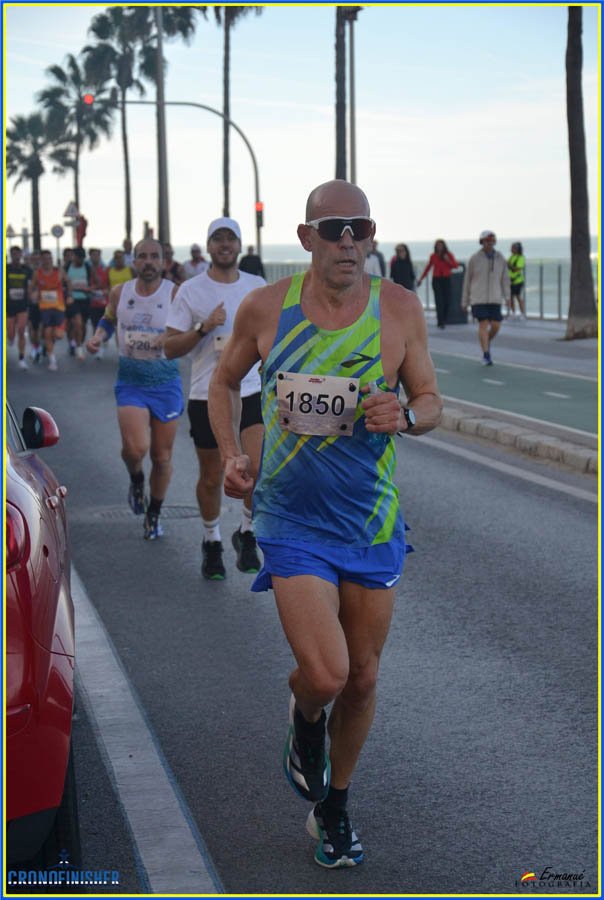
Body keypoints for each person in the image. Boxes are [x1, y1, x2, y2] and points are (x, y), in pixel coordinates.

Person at [207, 180, 442, 868]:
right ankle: (306, 717)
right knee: (328, 671)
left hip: (369, 521)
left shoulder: (398, 308)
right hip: (290, 516)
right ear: (306, 237)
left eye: (360, 229)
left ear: (372, 237)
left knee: (364, 678)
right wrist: (229, 454)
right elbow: (223, 382)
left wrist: (406, 415)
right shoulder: (265, 308)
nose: (348, 242)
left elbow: (429, 399)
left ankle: (334, 808)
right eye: (333, 228)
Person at [164, 218, 266, 580]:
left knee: (255, 469)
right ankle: (211, 540)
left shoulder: (258, 288)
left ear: (240, 246)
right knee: (212, 475)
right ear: (208, 246)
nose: (224, 245)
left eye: (231, 239)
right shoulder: (191, 290)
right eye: (217, 239)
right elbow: (169, 347)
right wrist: (203, 327)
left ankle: (247, 531)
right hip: (206, 394)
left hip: (252, 390)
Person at [86, 239, 184, 540]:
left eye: (154, 256)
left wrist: (168, 336)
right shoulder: (120, 292)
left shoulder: (175, 293)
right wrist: (98, 337)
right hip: (131, 382)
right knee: (135, 449)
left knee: (162, 457)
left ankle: (153, 514)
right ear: (134, 261)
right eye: (142, 257)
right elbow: (108, 317)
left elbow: (188, 328)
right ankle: (136, 478)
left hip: (166, 383)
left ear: (164, 261)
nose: (148, 262)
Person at [461, 230, 510, 366]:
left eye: (492, 241)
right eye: (487, 241)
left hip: (495, 298)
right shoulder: (474, 258)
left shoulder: (500, 258)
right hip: (478, 298)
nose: (489, 243)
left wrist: (507, 296)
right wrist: (465, 301)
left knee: (496, 325)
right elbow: (467, 280)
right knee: (483, 324)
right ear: (482, 242)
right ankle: (486, 354)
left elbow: (505, 279)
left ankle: (485, 342)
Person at [30, 249, 70, 371]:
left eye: (49, 258)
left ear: (51, 259)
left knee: (58, 335)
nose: (47, 261)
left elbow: (68, 282)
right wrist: (33, 295)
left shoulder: (59, 272)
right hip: (45, 307)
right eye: (45, 259)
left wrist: (69, 296)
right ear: (41, 260)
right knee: (47, 332)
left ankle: (47, 344)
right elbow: (32, 287)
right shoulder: (37, 273)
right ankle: (52, 360)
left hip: (59, 307)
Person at [416, 239, 459, 329]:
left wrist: (448, 260)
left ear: (444, 246)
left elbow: (455, 266)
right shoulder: (433, 256)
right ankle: (440, 321)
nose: (439, 247)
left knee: (447, 300)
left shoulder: (448, 255)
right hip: (437, 279)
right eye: (437, 245)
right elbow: (428, 267)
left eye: (441, 245)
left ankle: (444, 318)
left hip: (446, 279)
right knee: (439, 301)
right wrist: (421, 279)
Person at [6, 246, 33, 369]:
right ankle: (10, 338)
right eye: (14, 254)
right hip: (9, 305)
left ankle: (21, 358)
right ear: (11, 255)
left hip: (22, 304)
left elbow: (32, 285)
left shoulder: (26, 269)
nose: (16, 256)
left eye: (18, 254)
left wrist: (33, 294)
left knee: (21, 330)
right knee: (11, 333)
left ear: (21, 255)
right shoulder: (6, 269)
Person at [65, 246, 93, 359]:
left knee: (82, 325)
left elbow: (96, 282)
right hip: (72, 299)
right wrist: (68, 294)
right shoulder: (67, 267)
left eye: (82, 258)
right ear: (74, 257)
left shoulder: (87, 267)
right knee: (76, 323)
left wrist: (89, 288)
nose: (80, 260)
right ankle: (77, 346)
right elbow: (61, 283)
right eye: (78, 258)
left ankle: (78, 342)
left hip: (85, 299)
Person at [89, 248, 110, 359]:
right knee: (94, 326)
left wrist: (105, 291)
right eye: (93, 255)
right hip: (93, 303)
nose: (95, 257)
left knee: (104, 326)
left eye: (97, 255)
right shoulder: (88, 269)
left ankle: (101, 346)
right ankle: (98, 347)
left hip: (104, 303)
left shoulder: (105, 269)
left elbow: (106, 284)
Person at [507, 242, 526, 319]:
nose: (511, 249)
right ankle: (513, 313)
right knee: (511, 297)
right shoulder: (511, 257)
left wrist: (509, 265)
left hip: (517, 281)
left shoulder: (521, 257)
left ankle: (522, 314)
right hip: (510, 281)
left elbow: (517, 269)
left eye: (512, 248)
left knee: (518, 297)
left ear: (517, 249)